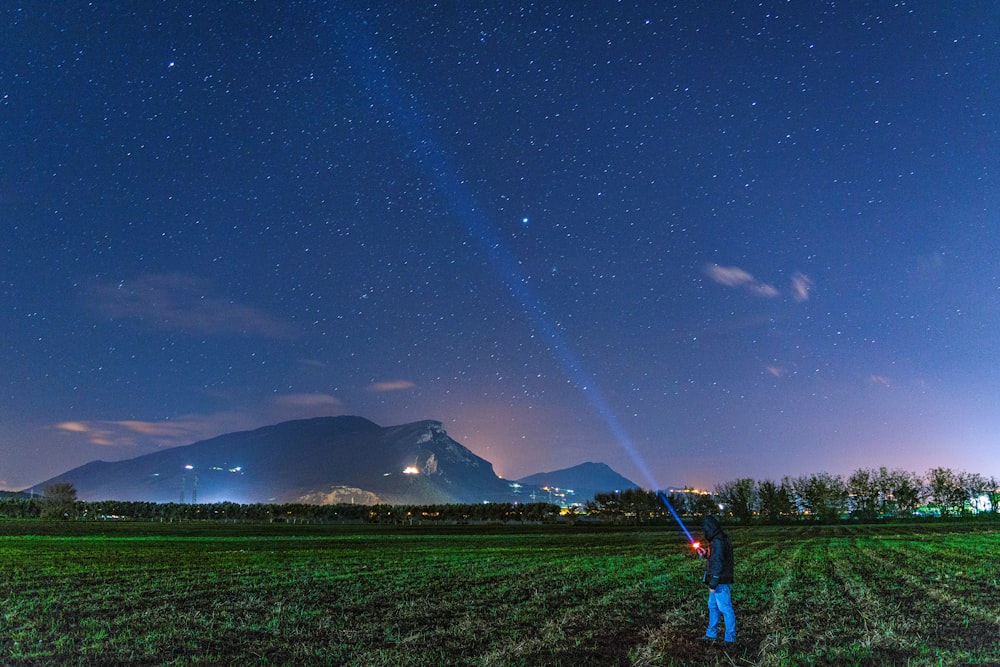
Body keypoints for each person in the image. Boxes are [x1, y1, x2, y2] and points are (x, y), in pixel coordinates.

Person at [700, 515, 736, 643]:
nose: (704, 532)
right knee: (713, 606)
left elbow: (718, 563)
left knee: (725, 609)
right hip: (718, 580)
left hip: (720, 581)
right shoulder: (718, 540)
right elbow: (716, 559)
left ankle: (730, 639)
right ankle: (711, 634)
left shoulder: (718, 542)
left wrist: (714, 582)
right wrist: (705, 554)